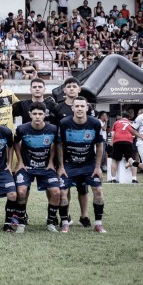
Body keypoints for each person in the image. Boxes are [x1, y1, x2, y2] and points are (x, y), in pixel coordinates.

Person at [50, 77, 96, 227]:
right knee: (65, 186)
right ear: (64, 90)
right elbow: (53, 133)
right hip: (64, 155)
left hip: (84, 156)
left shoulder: (88, 108)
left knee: (83, 188)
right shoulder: (57, 108)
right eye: (68, 86)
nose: (71, 88)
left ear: (79, 89)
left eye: (74, 86)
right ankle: (66, 216)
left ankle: (84, 216)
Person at [57, 97, 106, 233]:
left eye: (82, 106)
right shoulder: (64, 123)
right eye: (76, 106)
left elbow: (99, 146)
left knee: (98, 191)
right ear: (72, 108)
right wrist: (60, 166)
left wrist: (97, 167)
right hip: (69, 164)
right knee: (62, 193)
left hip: (89, 164)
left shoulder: (95, 123)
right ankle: (65, 223)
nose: (79, 108)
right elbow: (59, 145)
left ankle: (98, 224)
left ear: (87, 108)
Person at [13, 102, 61, 233]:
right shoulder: (22, 129)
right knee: (21, 191)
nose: (38, 117)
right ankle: (22, 222)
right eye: (35, 114)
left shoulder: (53, 129)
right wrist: (20, 162)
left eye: (40, 114)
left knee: (57, 193)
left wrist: (51, 162)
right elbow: (15, 143)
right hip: (27, 167)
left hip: (45, 168)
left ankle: (51, 222)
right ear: (30, 115)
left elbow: (56, 145)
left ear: (45, 115)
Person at [109, 112, 139, 183]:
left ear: (121, 116)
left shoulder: (116, 122)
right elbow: (134, 134)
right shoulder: (131, 123)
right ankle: (134, 179)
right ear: (129, 117)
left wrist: (112, 142)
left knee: (114, 160)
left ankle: (113, 179)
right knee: (132, 159)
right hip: (128, 141)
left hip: (117, 140)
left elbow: (112, 133)